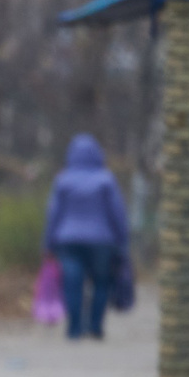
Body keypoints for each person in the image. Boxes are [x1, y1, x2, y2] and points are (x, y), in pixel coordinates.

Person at [42, 133, 130, 340]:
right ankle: (95, 327)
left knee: (72, 284)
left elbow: (53, 214)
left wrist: (47, 244)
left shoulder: (63, 180)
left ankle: (74, 329)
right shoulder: (106, 179)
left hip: (68, 241)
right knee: (101, 282)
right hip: (102, 242)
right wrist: (122, 242)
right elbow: (117, 214)